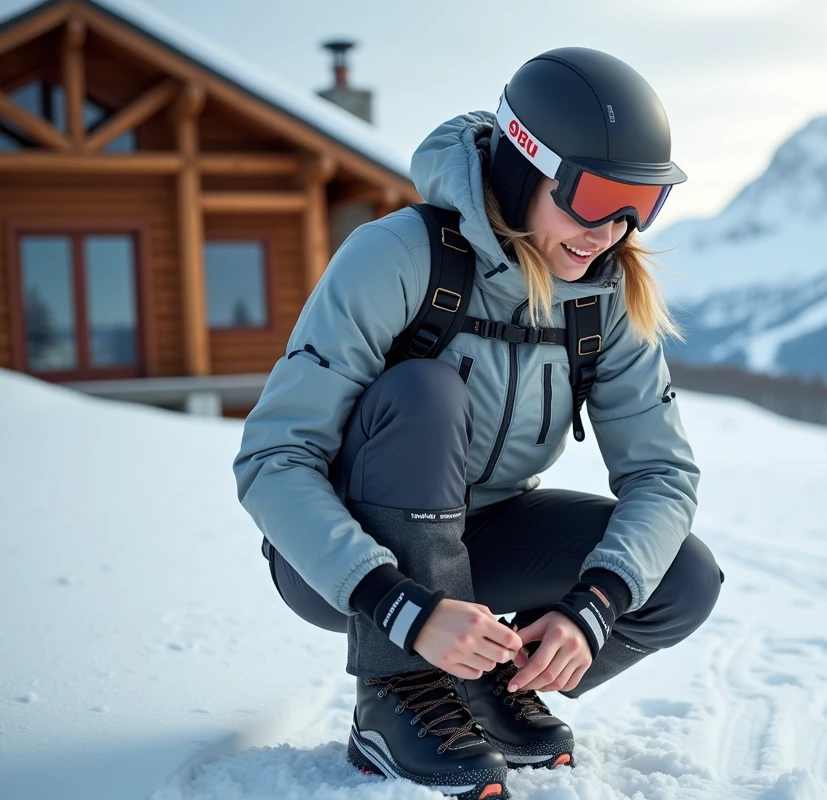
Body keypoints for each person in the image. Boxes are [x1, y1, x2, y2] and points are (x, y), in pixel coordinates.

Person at [232, 47, 722, 800]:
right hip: (343, 560)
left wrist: (591, 611)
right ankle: (398, 695)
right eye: (593, 196)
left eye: (640, 204)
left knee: (680, 577)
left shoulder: (604, 299)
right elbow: (273, 458)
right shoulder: (399, 256)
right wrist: (401, 604)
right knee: (427, 392)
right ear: (527, 165)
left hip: (482, 539)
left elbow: (662, 475)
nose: (611, 230)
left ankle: (490, 679)